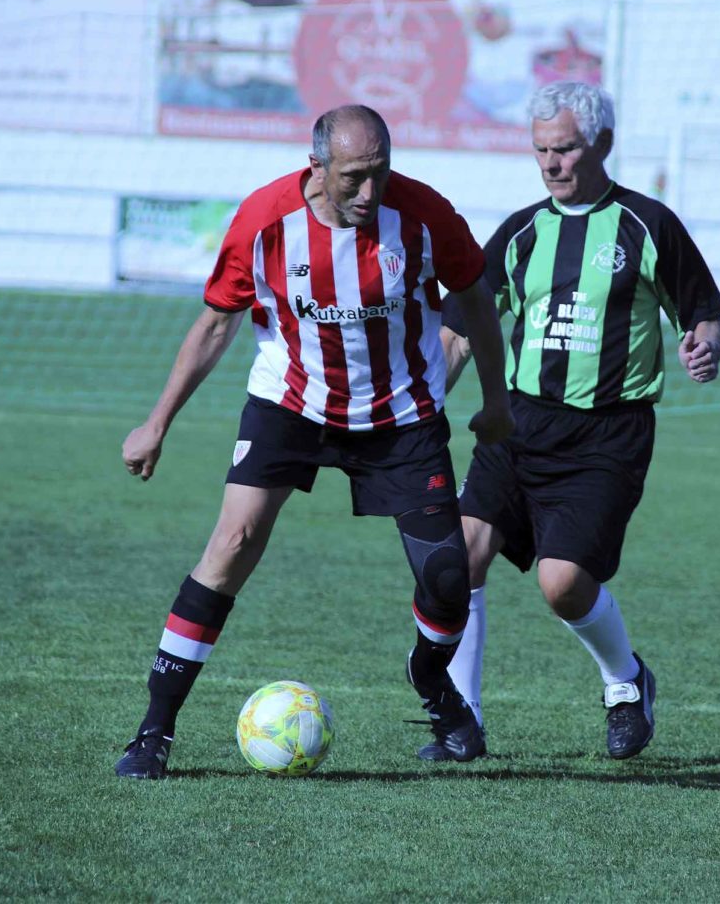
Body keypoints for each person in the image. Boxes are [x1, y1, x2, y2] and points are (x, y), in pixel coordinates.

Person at [114, 105, 514, 779]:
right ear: (317, 167)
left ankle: (430, 681)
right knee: (232, 543)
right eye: (354, 177)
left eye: (380, 174)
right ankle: (153, 732)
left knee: (447, 579)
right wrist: (158, 421)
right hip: (291, 403)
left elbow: (474, 301)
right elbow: (216, 324)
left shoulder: (425, 216)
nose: (369, 192)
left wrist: (496, 401)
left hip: (401, 414)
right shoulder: (264, 221)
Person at [436, 81, 720, 762]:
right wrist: (424, 411)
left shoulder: (648, 224)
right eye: (540, 151)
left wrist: (705, 345)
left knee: (562, 584)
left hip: (606, 435)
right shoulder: (520, 233)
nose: (550, 165)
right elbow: (460, 330)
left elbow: (703, 312)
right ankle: (462, 721)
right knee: (460, 555)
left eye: (563, 149)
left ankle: (626, 683)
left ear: (601, 143)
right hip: (517, 423)